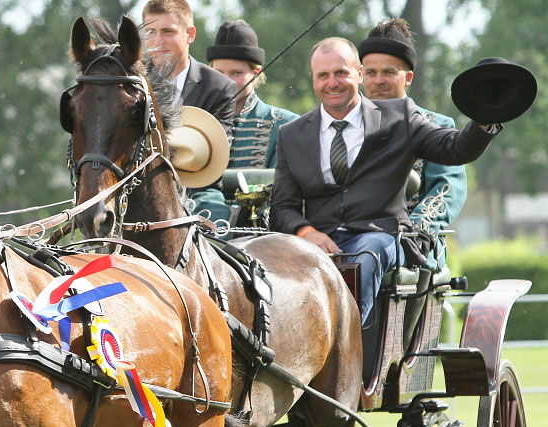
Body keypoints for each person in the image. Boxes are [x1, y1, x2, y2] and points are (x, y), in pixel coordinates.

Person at [270, 38, 501, 327]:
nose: (333, 83)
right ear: (314, 80)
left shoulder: (399, 117)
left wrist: (487, 115)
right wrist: (307, 233)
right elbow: (282, 207)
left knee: (364, 256)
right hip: (316, 242)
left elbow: (455, 149)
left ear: (358, 73)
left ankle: (344, 352)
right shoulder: (291, 134)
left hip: (379, 237)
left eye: (341, 73)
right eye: (323, 75)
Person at [358, 17, 467, 270]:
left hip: (413, 249)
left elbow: (446, 188)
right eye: (371, 73)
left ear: (407, 77)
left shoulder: (436, 125)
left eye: (389, 72)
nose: (379, 81)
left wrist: (414, 232)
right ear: (361, 76)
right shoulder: (343, 127)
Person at [142, 0, 240, 220]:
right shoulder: (132, 82)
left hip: (199, 191)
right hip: (140, 190)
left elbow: (216, 152)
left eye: (168, 31)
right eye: (150, 32)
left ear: (190, 34)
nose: (158, 41)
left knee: (215, 212)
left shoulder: (219, 87)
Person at [207, 19, 300, 170]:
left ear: (256, 73)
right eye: (219, 73)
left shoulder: (286, 125)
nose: (226, 81)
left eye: (236, 73)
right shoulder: (198, 121)